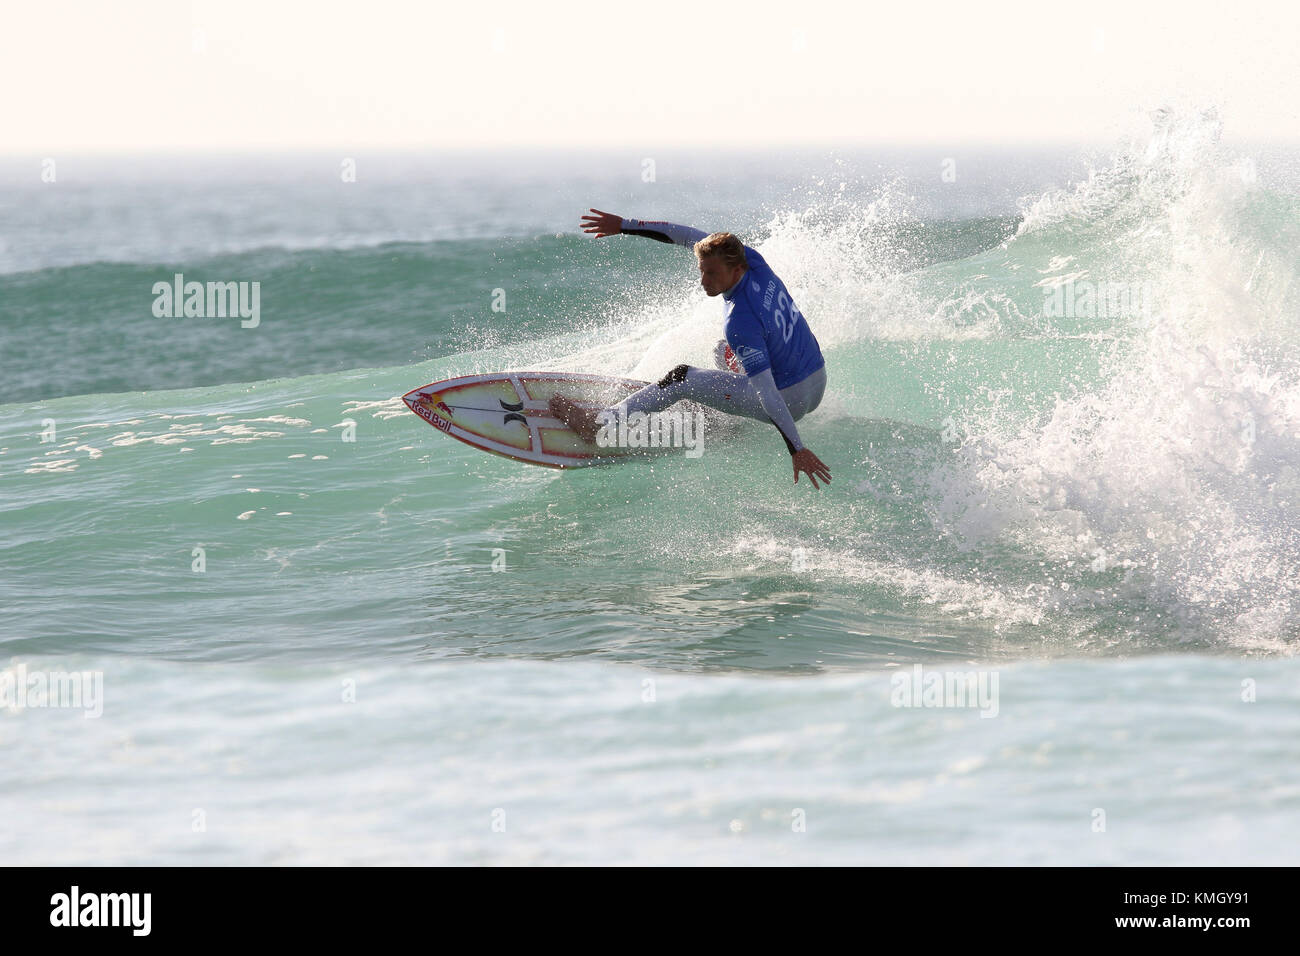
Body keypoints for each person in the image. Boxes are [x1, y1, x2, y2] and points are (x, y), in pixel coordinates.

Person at [550, 209, 832, 489]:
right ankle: (723, 412)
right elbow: (685, 236)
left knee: (681, 378)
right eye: (702, 270)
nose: (704, 281)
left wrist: (797, 449)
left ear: (736, 270)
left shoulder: (740, 321)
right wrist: (625, 225)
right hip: (817, 381)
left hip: (788, 401)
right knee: (723, 351)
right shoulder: (753, 261)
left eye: (712, 274)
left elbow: (767, 393)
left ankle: (597, 425)